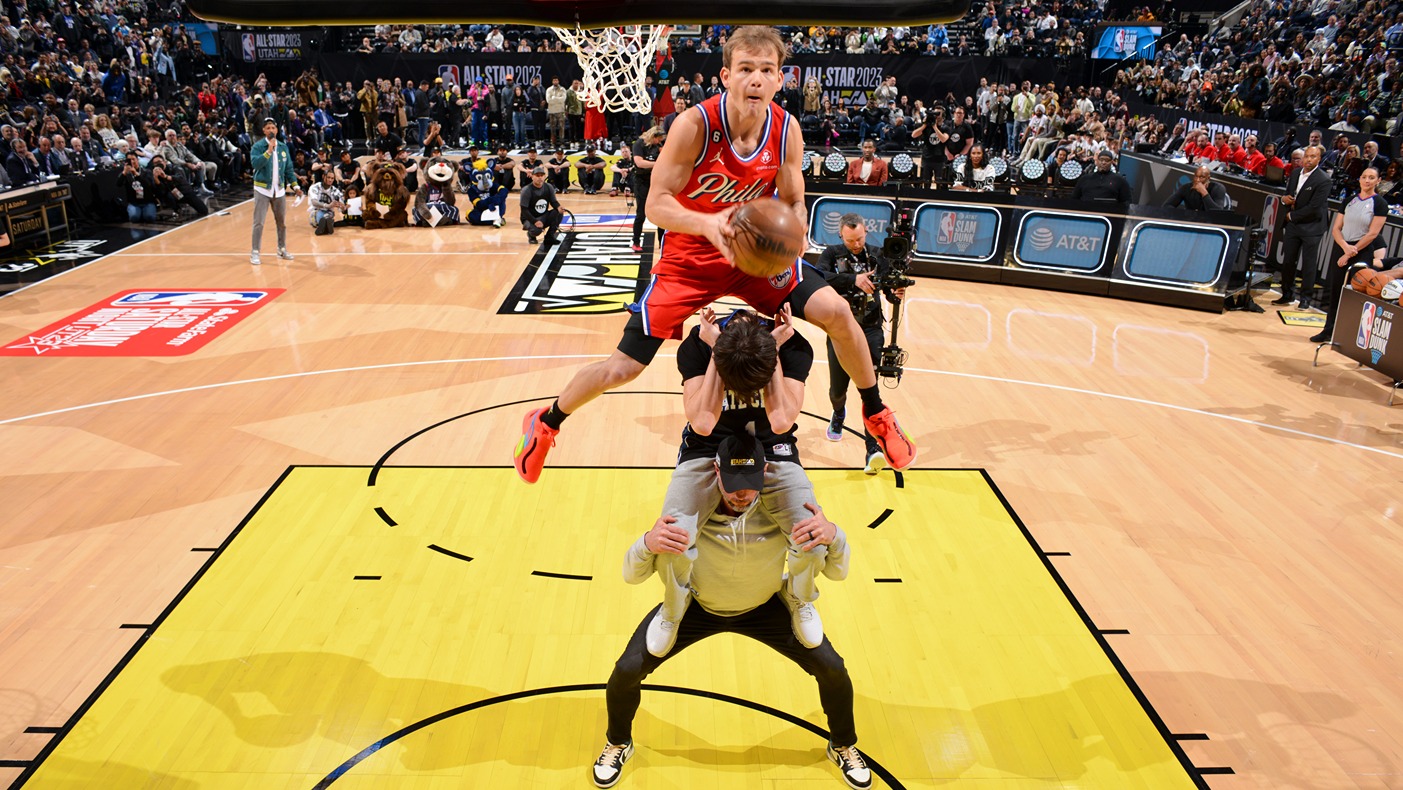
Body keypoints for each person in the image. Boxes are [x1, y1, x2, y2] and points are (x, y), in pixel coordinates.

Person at [512, 25, 916, 485]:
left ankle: (875, 412)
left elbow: (794, 198)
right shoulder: (695, 125)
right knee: (624, 366)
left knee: (838, 312)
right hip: (691, 261)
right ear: (726, 75)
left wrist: (796, 227)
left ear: (781, 78)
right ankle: (545, 423)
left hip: (755, 261)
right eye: (746, 69)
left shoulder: (786, 130)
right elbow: (656, 202)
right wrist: (708, 224)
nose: (756, 79)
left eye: (767, 70)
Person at [593, 428, 869, 790]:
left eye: (751, 483)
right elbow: (631, 575)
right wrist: (646, 542)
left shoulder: (782, 513)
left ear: (765, 473)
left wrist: (835, 535)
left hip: (765, 607)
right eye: (735, 482)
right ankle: (617, 742)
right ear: (716, 473)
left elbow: (838, 572)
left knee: (833, 669)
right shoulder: (688, 515)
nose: (743, 494)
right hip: (699, 606)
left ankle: (844, 744)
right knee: (626, 671)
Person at [815, 214, 910, 474]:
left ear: (866, 232)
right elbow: (820, 278)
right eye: (850, 240)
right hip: (841, 328)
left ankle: (873, 448)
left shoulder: (879, 255)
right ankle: (838, 412)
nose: (855, 244)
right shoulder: (831, 254)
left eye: (859, 239)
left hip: (871, 329)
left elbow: (889, 290)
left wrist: (895, 293)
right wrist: (853, 280)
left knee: (869, 389)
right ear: (840, 236)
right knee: (838, 389)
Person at [1312, 166, 1389, 342]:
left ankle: (1351, 334)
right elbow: (1336, 228)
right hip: (1342, 246)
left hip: (1361, 251)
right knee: (1335, 289)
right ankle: (1328, 330)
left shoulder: (1379, 203)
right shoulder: (1349, 200)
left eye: (1371, 177)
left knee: (1355, 292)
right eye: (1364, 177)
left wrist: (1351, 252)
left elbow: (1372, 234)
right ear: (1359, 179)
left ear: (1378, 181)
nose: (1367, 180)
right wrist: (1345, 248)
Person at [1273, 145, 1332, 309]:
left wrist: (1292, 216)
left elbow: (1314, 207)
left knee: (1308, 264)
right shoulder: (1295, 173)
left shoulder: (1324, 180)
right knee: (1288, 260)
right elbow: (1288, 195)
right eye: (1307, 156)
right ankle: (1287, 294)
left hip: (1312, 227)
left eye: (1313, 156)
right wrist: (1284, 200)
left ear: (1319, 159)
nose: (1308, 159)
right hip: (1293, 225)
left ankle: (1306, 298)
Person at [250, 118, 300, 266]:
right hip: (262, 189)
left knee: (282, 223)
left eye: (273, 127)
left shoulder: (284, 148)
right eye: (268, 128)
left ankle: (282, 248)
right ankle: (255, 252)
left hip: (279, 191)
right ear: (264, 131)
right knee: (258, 222)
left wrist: (295, 186)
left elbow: (289, 169)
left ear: (277, 130)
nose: (271, 130)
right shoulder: (258, 147)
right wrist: (268, 151)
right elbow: (256, 164)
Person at [630, 126, 665, 252]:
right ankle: (636, 241)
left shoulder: (659, 146)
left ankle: (662, 243)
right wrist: (658, 164)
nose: (659, 141)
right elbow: (639, 163)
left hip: (656, 181)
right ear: (653, 136)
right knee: (641, 214)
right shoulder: (639, 144)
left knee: (661, 214)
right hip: (641, 181)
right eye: (658, 139)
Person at [519, 166, 563, 244]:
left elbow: (553, 202)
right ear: (532, 177)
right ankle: (531, 235)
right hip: (529, 218)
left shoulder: (549, 187)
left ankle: (549, 236)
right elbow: (524, 209)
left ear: (544, 176)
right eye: (537, 175)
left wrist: (558, 206)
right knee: (536, 230)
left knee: (559, 212)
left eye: (541, 175)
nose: (540, 178)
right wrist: (535, 221)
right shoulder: (526, 190)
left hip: (543, 215)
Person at [1164, 165, 1231, 211]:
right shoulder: (1186, 188)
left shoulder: (1218, 188)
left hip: (1209, 224)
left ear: (1208, 178)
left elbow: (1217, 214)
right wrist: (1183, 215)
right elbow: (1167, 205)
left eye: (1201, 177)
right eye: (1196, 176)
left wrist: (1204, 193)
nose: (1198, 180)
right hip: (1191, 221)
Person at [307, 168, 344, 235]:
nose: (330, 180)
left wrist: (342, 206)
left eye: (332, 178)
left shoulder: (336, 191)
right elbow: (314, 202)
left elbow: (342, 208)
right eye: (328, 177)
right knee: (320, 215)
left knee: (328, 215)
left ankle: (324, 226)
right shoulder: (315, 187)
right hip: (316, 210)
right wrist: (327, 205)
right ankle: (326, 226)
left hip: (329, 212)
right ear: (323, 176)